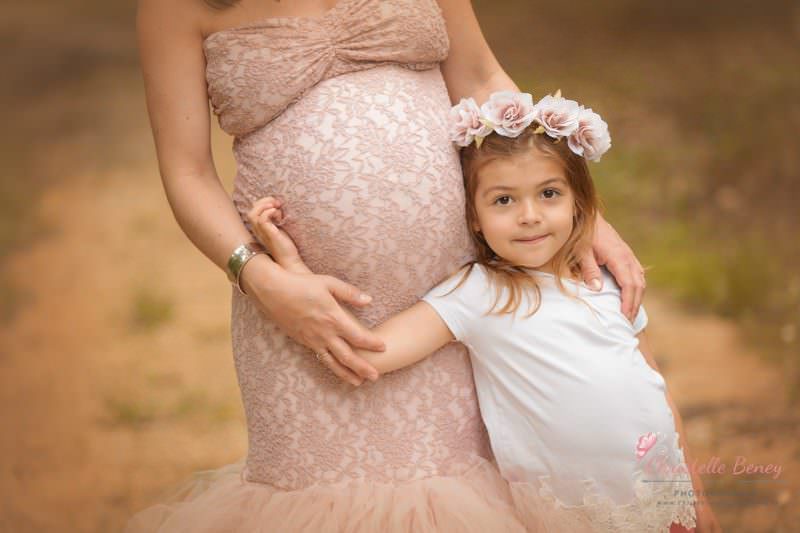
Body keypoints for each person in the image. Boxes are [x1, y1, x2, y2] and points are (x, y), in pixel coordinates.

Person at [128, 0, 649, 530]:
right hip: (302, 317)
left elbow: (478, 74)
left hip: (459, 299)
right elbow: (187, 170)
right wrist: (260, 279)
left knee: (473, 493)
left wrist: (588, 220)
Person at [246, 91, 722, 532]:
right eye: (504, 200)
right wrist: (293, 270)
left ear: (580, 204)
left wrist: (692, 490)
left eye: (549, 194)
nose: (529, 215)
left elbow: (654, 389)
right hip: (572, 516)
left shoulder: (606, 280)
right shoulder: (479, 294)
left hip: (661, 502)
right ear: (474, 216)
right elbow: (366, 352)